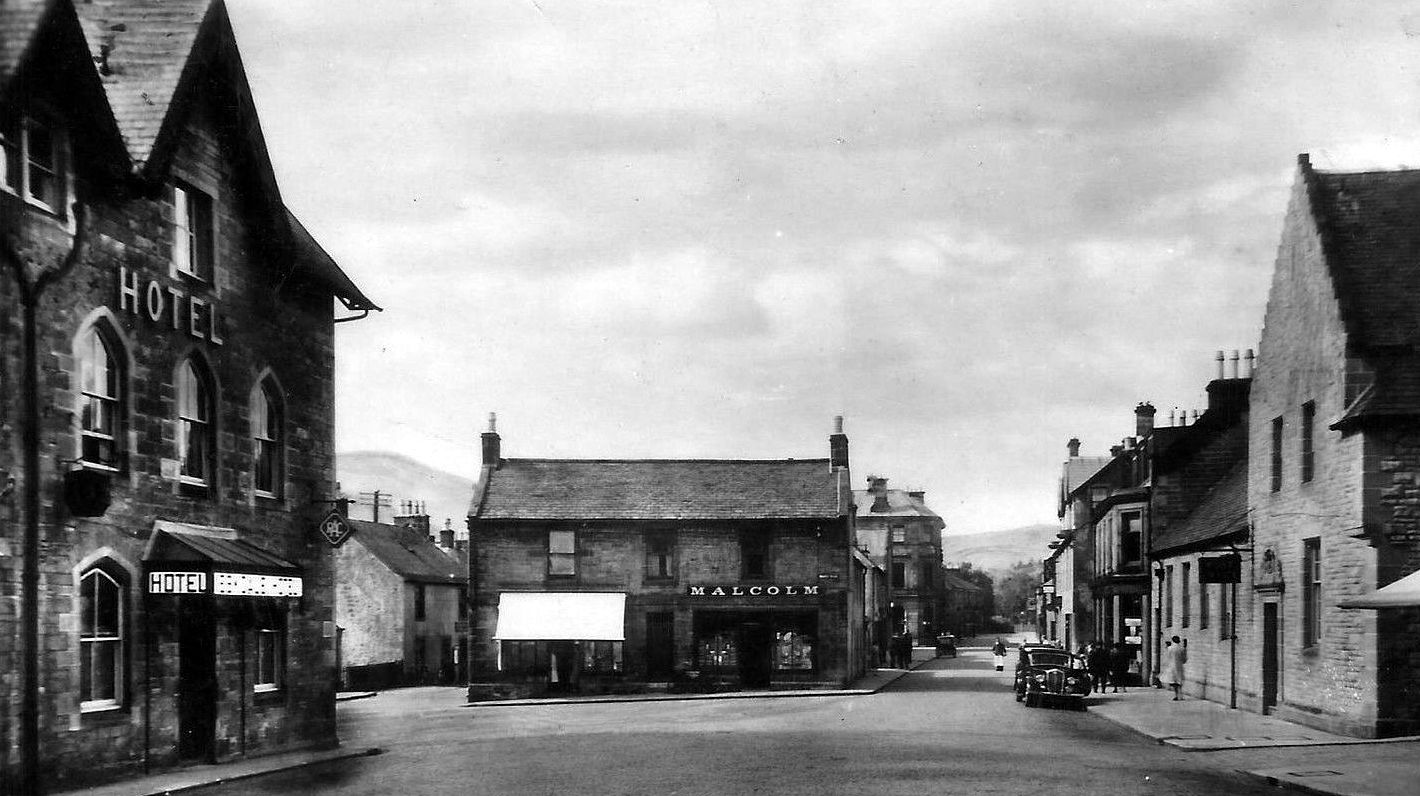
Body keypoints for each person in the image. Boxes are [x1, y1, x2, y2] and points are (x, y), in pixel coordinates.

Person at [1161, 635, 1188, 700]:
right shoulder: (1182, 649)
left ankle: (1176, 695)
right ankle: (1180, 695)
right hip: (1179, 667)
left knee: (1173, 681)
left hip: (1171, 667)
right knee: (1179, 681)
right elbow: (1184, 660)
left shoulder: (1170, 648)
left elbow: (1167, 658)